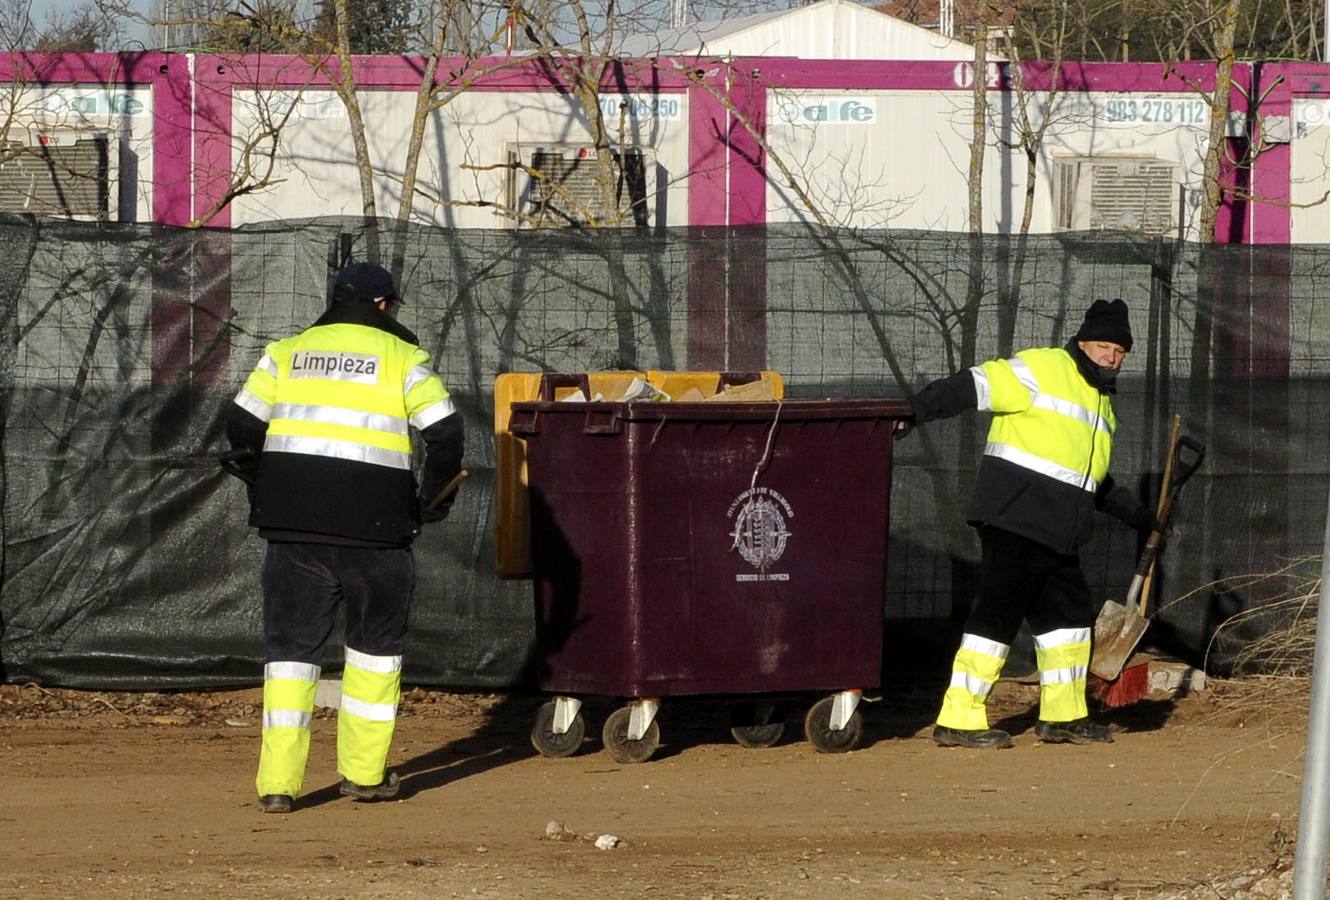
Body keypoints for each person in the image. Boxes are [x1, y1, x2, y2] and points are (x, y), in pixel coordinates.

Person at [224, 261, 464, 812]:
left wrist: (269, 481)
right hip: (378, 535)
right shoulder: (403, 359)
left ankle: (278, 787)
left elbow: (240, 424)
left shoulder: (287, 353)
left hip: (292, 532)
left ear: (334, 301)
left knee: (289, 658)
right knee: (374, 656)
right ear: (385, 306)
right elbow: (446, 435)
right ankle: (363, 776)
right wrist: (431, 500)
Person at [905, 298, 1159, 749]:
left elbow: (1088, 480)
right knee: (996, 617)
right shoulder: (1042, 368)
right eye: (1104, 346)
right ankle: (958, 720)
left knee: (1069, 625)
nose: (1112, 357)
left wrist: (1138, 515)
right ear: (1082, 343)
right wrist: (915, 412)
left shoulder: (1101, 404)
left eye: (1120, 351)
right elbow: (973, 385)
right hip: (1016, 519)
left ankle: (1062, 717)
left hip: (1059, 532)